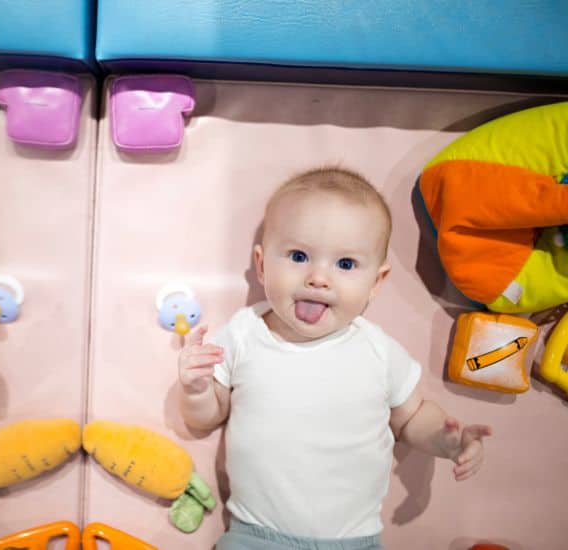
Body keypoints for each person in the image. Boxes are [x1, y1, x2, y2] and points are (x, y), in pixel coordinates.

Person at [178, 167, 492, 550]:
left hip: (353, 541)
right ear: (261, 266)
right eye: (298, 256)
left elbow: (411, 416)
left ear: (376, 282)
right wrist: (196, 389)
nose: (318, 278)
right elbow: (208, 415)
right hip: (254, 535)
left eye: (345, 265)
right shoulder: (244, 334)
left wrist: (450, 440)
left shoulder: (378, 350)